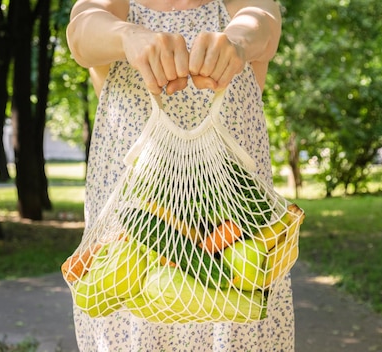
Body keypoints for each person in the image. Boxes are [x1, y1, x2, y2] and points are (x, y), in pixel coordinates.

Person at [66, 0, 291, 350]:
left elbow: (263, 24)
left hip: (234, 253)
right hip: (133, 250)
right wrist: (128, 37)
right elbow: (81, 32)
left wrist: (236, 43)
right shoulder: (118, 7)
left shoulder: (236, 9)